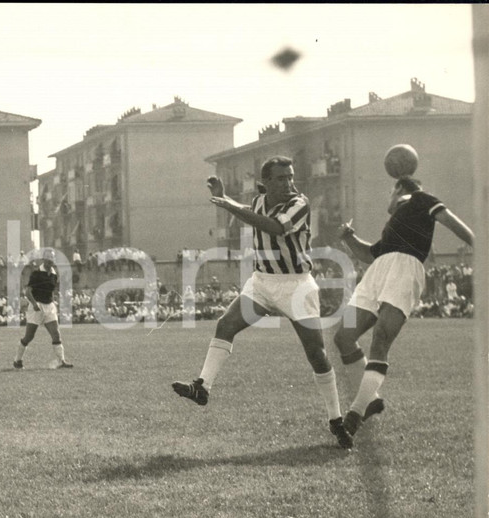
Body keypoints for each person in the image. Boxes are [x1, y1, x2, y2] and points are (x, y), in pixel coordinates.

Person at [172, 156, 353, 449]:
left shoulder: (300, 204)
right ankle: (202, 387)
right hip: (263, 281)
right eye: (281, 178)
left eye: (291, 177)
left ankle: (336, 420)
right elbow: (250, 210)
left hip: (296, 285)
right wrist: (225, 198)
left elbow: (275, 228)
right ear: (266, 182)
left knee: (317, 355)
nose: (289, 183)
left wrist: (227, 203)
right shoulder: (258, 202)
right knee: (226, 324)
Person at [334, 176, 474, 436]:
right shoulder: (395, 222)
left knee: (381, 338)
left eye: (390, 191)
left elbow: (451, 222)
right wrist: (348, 238)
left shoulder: (422, 199)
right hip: (378, 272)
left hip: (406, 269)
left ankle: (355, 413)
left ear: (399, 188)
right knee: (343, 337)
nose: (388, 198)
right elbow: (369, 254)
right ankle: (372, 399)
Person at [13, 250, 74, 370]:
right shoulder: (36, 273)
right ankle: (17, 360)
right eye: (48, 258)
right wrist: (34, 304)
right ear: (43, 259)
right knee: (29, 336)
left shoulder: (54, 274)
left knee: (56, 335)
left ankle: (61, 361)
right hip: (37, 306)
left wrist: (55, 300)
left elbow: (51, 290)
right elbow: (28, 292)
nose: (50, 261)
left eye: (52, 258)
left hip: (49, 306)